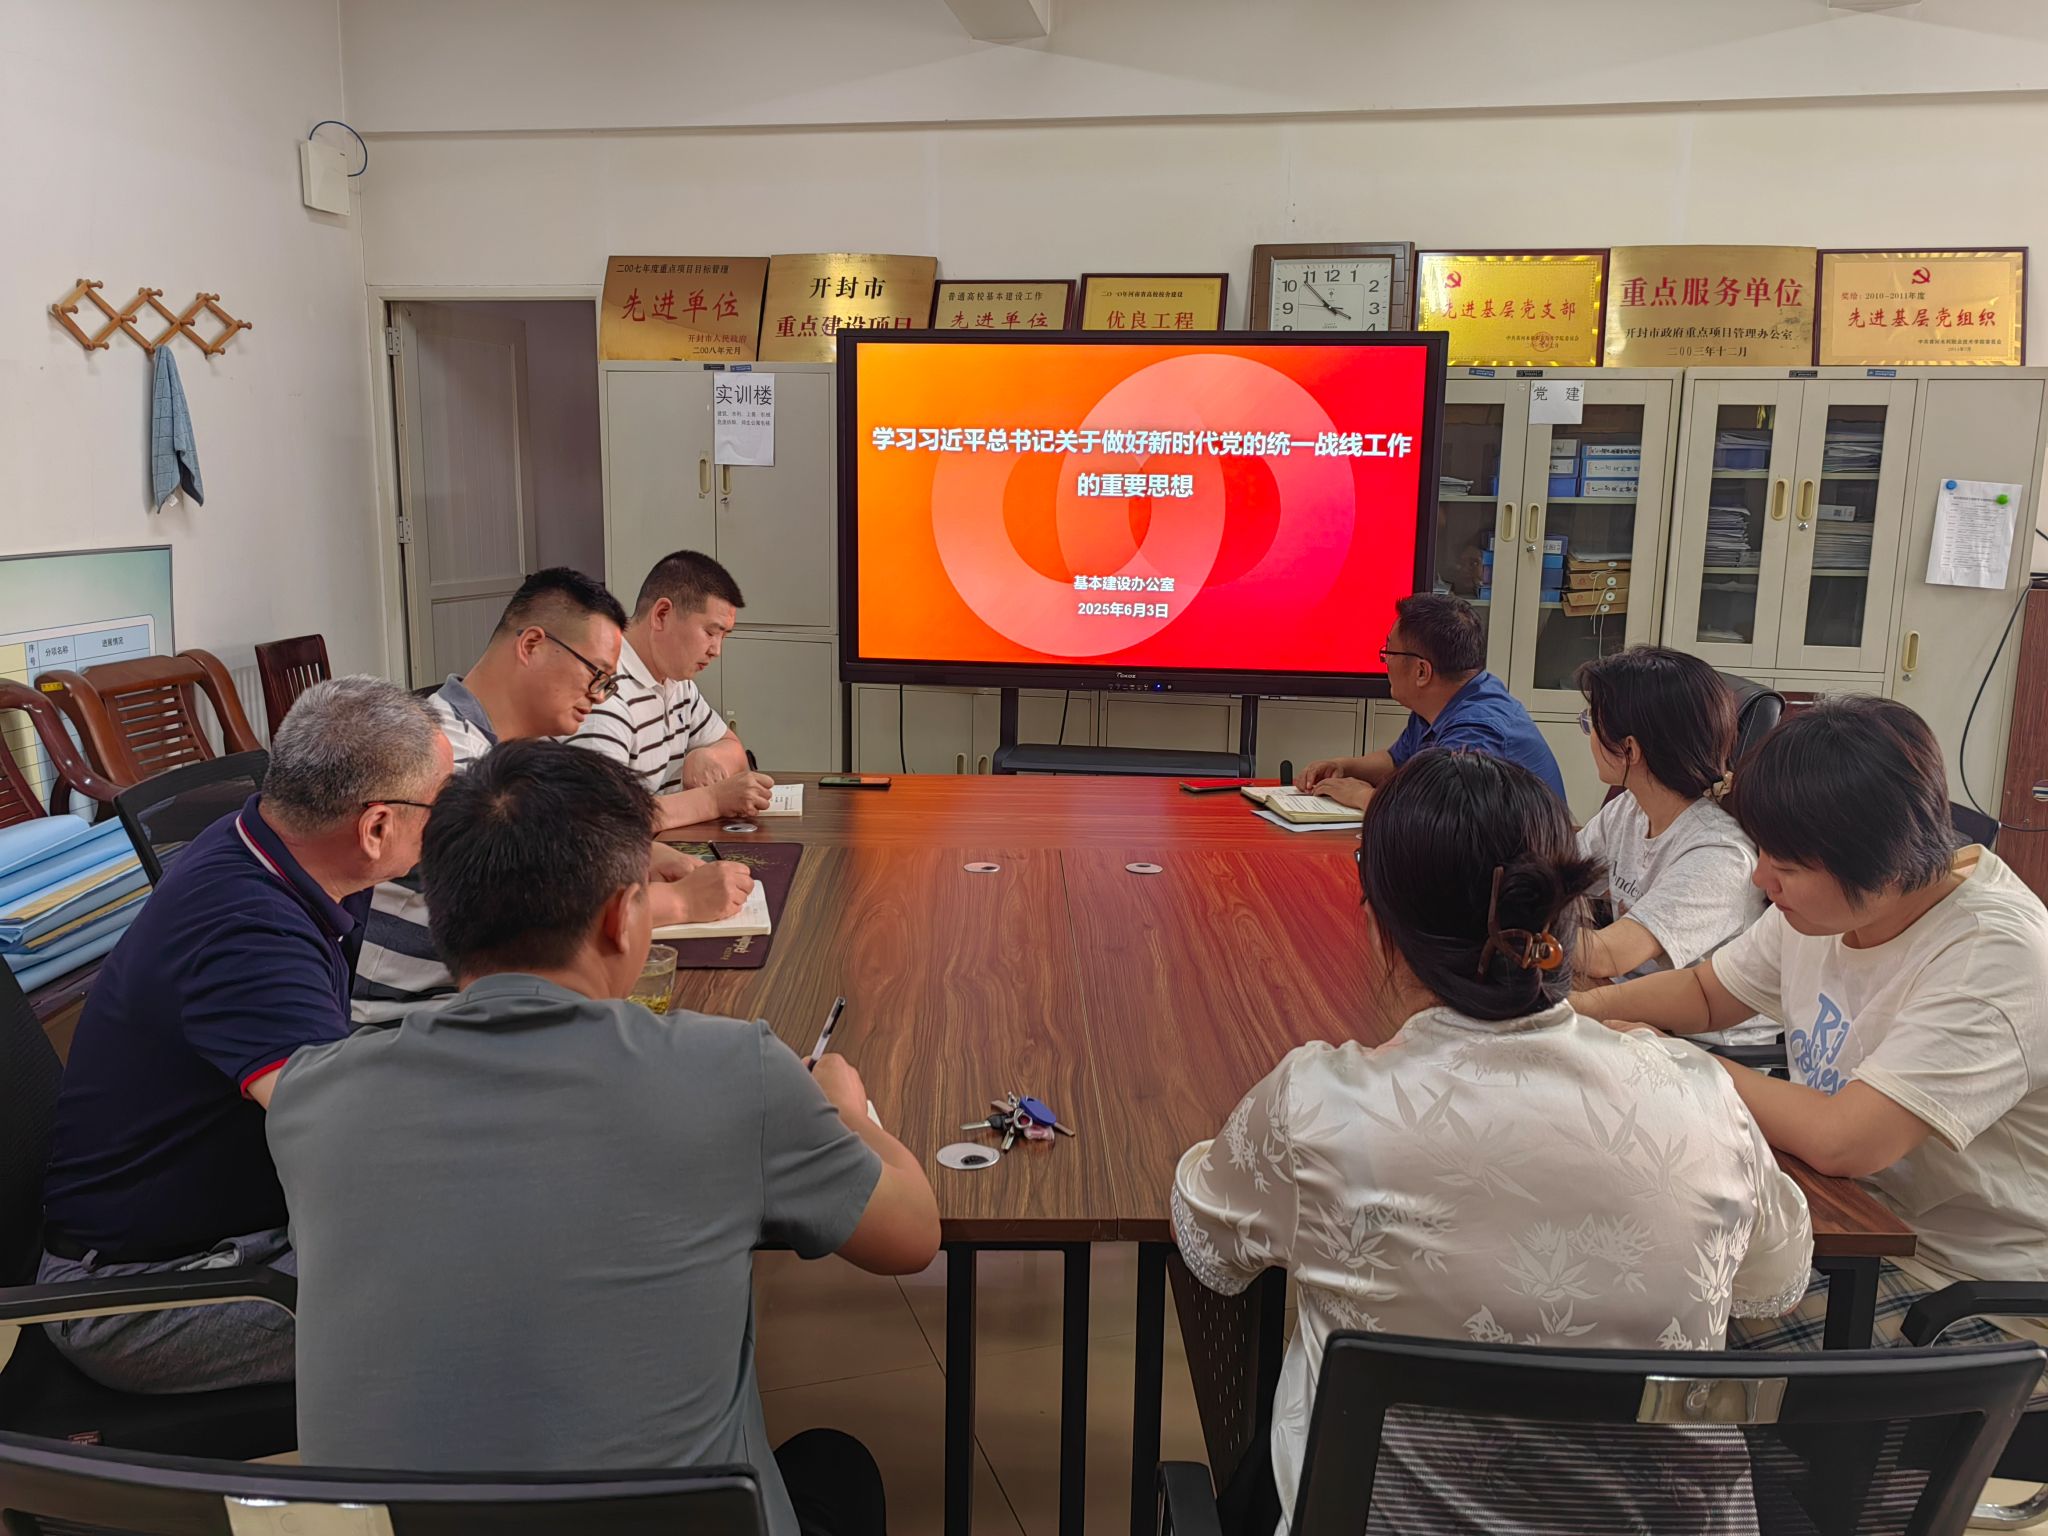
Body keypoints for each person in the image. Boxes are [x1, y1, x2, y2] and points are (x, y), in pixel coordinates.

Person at [271, 741, 938, 1536]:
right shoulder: (736, 1072)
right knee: (836, 1464)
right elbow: (911, 1238)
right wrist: (844, 1107)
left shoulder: (313, 1096)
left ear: (443, 922)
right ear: (625, 917)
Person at [1176, 748, 1812, 1532]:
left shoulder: (1323, 1108)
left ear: (1380, 927)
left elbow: (1211, 1245)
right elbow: (1775, 1281)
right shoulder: (1700, 1096)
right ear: (1567, 915)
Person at [1574, 695, 2048, 1360]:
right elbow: (1708, 994)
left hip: (1959, 1292)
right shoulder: (1830, 905)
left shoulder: (1993, 958)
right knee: (1603, 1252)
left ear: (1886, 863)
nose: (1761, 877)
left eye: (1787, 866)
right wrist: (1581, 1014)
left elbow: (1843, 1139)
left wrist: (1669, 1060)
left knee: (1648, 1328)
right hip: (1837, 1224)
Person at [37, 678, 453, 1391]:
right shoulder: (248, 933)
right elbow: (347, 1140)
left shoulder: (265, 845)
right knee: (485, 1284)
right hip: (144, 1295)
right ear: (376, 827)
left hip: (220, 1232)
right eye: (441, 803)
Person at [352, 567, 753, 1024]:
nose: (599, 698)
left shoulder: (527, 749)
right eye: (596, 675)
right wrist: (683, 902)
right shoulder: (441, 756)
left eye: (608, 683)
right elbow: (536, 917)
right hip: (420, 1022)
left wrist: (644, 854)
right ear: (531, 645)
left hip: (491, 1008)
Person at [1572, 647, 1765, 1003]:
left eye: (1591, 724)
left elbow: (1606, 955)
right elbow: (1559, 872)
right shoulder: (1630, 809)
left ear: (1629, 750)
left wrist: (1516, 926)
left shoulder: (1719, 854)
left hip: (1694, 1030)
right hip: (1629, 997)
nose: (1589, 735)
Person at [1295, 593, 1566, 809]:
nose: (1385, 661)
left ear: (1422, 672)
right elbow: (1397, 760)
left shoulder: (1476, 734)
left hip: (1518, 861)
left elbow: (1437, 816)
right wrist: (1344, 766)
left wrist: (1363, 796)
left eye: (1389, 651)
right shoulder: (1447, 699)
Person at [569, 549, 776, 831]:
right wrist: (713, 800)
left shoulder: (677, 684)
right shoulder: (603, 693)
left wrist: (707, 756)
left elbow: (735, 750)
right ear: (662, 614)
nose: (716, 650)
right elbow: (603, 821)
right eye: (710, 632)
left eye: (723, 636)